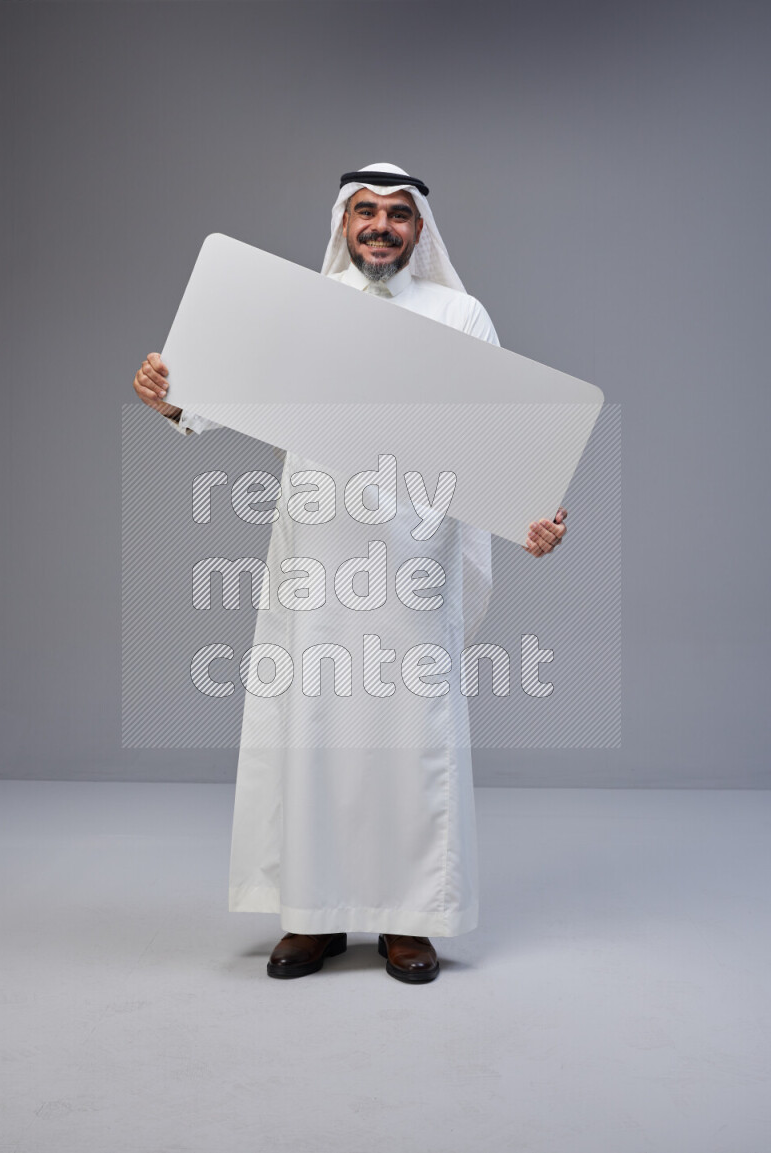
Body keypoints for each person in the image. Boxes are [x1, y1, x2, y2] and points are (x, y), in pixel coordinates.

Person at [132, 162, 567, 984]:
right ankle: (312, 915)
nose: (380, 226)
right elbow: (227, 390)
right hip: (318, 553)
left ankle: (409, 920)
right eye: (365, 210)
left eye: (398, 214)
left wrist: (531, 514)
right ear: (343, 222)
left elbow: (502, 434)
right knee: (313, 728)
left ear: (420, 229)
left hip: (413, 558)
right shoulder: (307, 306)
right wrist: (173, 398)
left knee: (410, 737)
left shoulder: (459, 314)